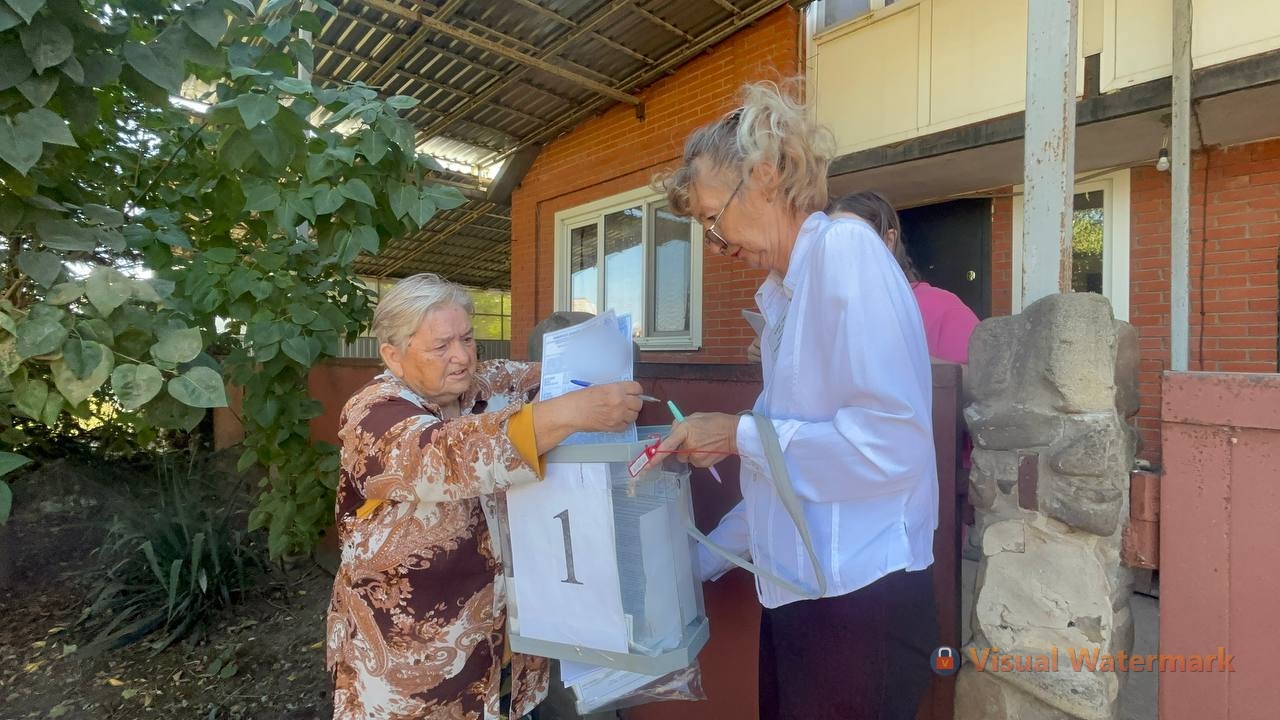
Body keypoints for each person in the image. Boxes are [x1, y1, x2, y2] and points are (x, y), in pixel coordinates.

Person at [650, 81, 940, 719]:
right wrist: (697, 562)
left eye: (712, 217)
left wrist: (736, 434)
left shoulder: (845, 251)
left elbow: (891, 445)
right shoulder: (788, 293)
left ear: (764, 175)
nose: (715, 244)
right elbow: (784, 473)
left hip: (858, 606)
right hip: (806, 599)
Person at [326, 273, 644, 720]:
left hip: (507, 658)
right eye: (441, 346)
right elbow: (446, 454)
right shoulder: (372, 414)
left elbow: (558, 375)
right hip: (411, 673)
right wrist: (568, 413)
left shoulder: (484, 386)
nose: (462, 356)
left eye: (468, 338)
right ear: (393, 356)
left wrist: (605, 361)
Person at [828, 191, 980, 365]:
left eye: (853, 238)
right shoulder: (824, 316)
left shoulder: (941, 308)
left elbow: (982, 377)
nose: (841, 250)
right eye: (831, 241)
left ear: (888, 241)